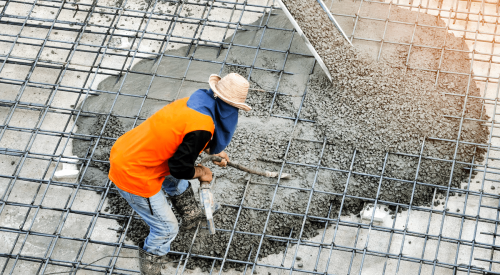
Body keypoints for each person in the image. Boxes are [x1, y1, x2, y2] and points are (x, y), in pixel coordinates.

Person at [108, 73, 252, 274]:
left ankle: (190, 214)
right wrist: (202, 171)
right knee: (167, 228)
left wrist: (213, 150)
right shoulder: (202, 128)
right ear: (229, 106)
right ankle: (151, 264)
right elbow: (180, 167)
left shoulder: (195, 103)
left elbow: (184, 138)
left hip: (132, 150)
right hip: (133, 172)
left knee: (177, 181)